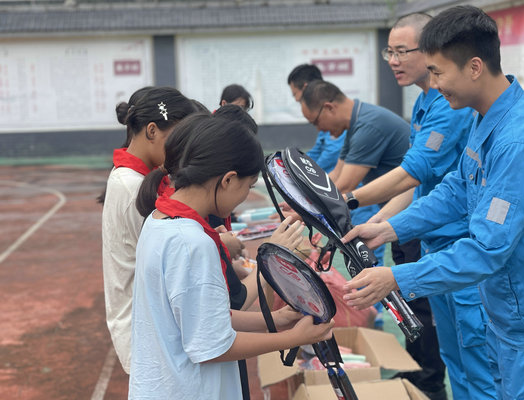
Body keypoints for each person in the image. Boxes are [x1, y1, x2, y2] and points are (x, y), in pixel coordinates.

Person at [342, 6, 524, 399]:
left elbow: (486, 249)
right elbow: (458, 189)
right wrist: (390, 228)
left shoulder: (517, 141)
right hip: (513, 317)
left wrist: (397, 278)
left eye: (438, 72)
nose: (434, 84)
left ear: (475, 67)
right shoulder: (488, 116)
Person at [344, 13, 495, 399]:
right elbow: (433, 187)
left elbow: (415, 173)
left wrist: (351, 200)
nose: (393, 61)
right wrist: (382, 224)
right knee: (456, 358)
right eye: (389, 52)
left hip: (462, 250)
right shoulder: (429, 100)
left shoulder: (455, 107)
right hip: (437, 244)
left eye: (402, 52)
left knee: (478, 363)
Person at [130, 115, 334, 399]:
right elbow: (213, 347)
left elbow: (204, 316)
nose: (246, 196)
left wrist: (275, 319)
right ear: (228, 180)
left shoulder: (158, 219)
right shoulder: (192, 244)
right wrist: (293, 338)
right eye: (248, 187)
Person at [101, 87, 198, 374]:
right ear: (152, 131)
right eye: (176, 139)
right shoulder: (132, 186)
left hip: (148, 325)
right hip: (146, 332)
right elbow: (169, 258)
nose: (180, 150)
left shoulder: (135, 177)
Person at [287, 64, 385, 263]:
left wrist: (305, 206)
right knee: (358, 259)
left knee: (369, 261)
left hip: (358, 201)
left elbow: (334, 172)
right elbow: (320, 160)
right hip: (346, 199)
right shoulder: (343, 124)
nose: (296, 99)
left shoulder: (348, 125)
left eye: (295, 94)